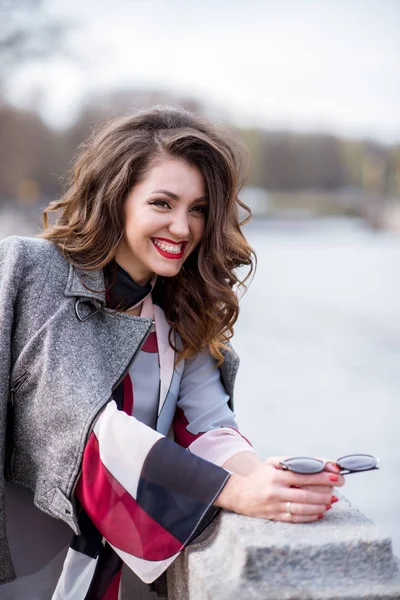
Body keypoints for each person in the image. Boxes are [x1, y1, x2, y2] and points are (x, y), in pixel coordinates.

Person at [0, 106, 344, 599]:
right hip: (26, 561)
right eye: (163, 203)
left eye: (199, 209)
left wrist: (267, 479)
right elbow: (84, 428)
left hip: (107, 575)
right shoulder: (32, 271)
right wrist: (235, 493)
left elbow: (208, 426)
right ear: (117, 197)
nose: (183, 228)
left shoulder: (179, 309)